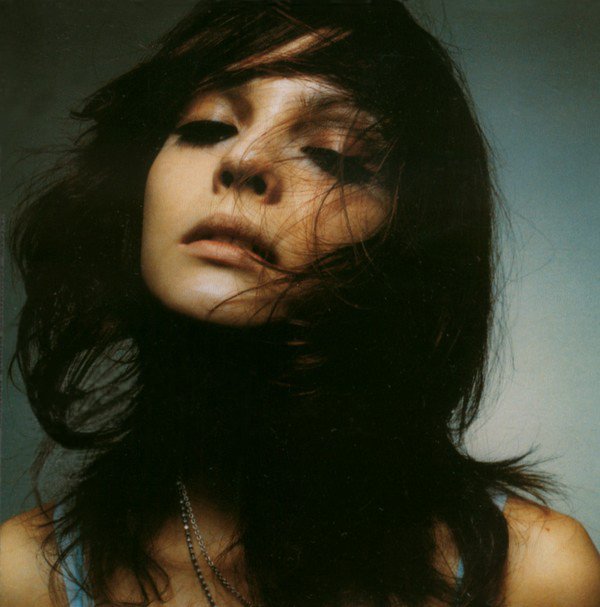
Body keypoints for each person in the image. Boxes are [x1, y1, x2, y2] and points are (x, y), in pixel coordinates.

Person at [1, 1, 598, 606]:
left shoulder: (534, 575)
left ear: (412, 242)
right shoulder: (23, 577)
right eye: (208, 126)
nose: (243, 160)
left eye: (332, 153)